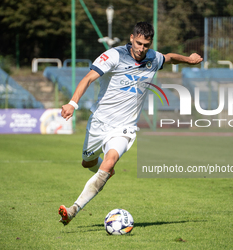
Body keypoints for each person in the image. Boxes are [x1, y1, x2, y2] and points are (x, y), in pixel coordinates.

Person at [59, 21, 203, 226]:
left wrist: (189, 59)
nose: (142, 49)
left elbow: (169, 58)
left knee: (110, 161)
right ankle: (103, 173)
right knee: (88, 163)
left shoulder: (153, 57)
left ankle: (73, 210)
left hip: (125, 127)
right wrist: (73, 103)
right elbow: (89, 78)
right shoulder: (114, 56)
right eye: (139, 43)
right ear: (131, 38)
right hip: (99, 122)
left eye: (146, 45)